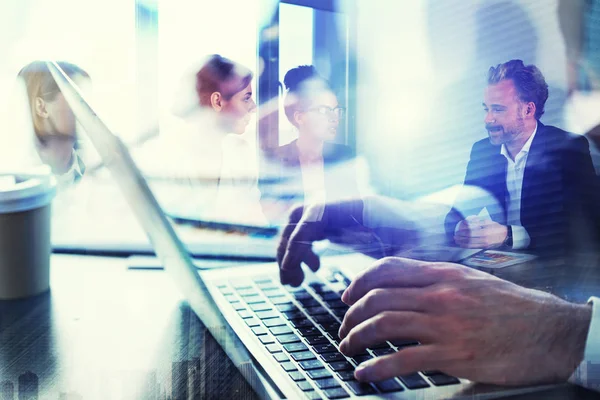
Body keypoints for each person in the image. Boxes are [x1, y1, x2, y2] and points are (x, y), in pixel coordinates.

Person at [444, 59, 600, 256]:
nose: (488, 119)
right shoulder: (482, 151)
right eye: (486, 109)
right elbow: (454, 216)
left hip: (551, 269)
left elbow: (577, 227)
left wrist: (508, 235)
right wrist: (462, 229)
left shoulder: (567, 150)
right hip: (497, 267)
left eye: (498, 109)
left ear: (528, 110)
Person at [163, 54, 267, 226]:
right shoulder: (172, 154)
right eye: (246, 98)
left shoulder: (240, 152)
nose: (254, 107)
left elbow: (254, 217)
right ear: (217, 101)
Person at [260, 65, 361, 223]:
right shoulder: (270, 163)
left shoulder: (347, 167)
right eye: (322, 111)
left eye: (335, 110)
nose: (333, 118)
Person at [16, 61, 89, 186]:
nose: (87, 110)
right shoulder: (19, 180)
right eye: (76, 99)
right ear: (42, 108)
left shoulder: (98, 172)